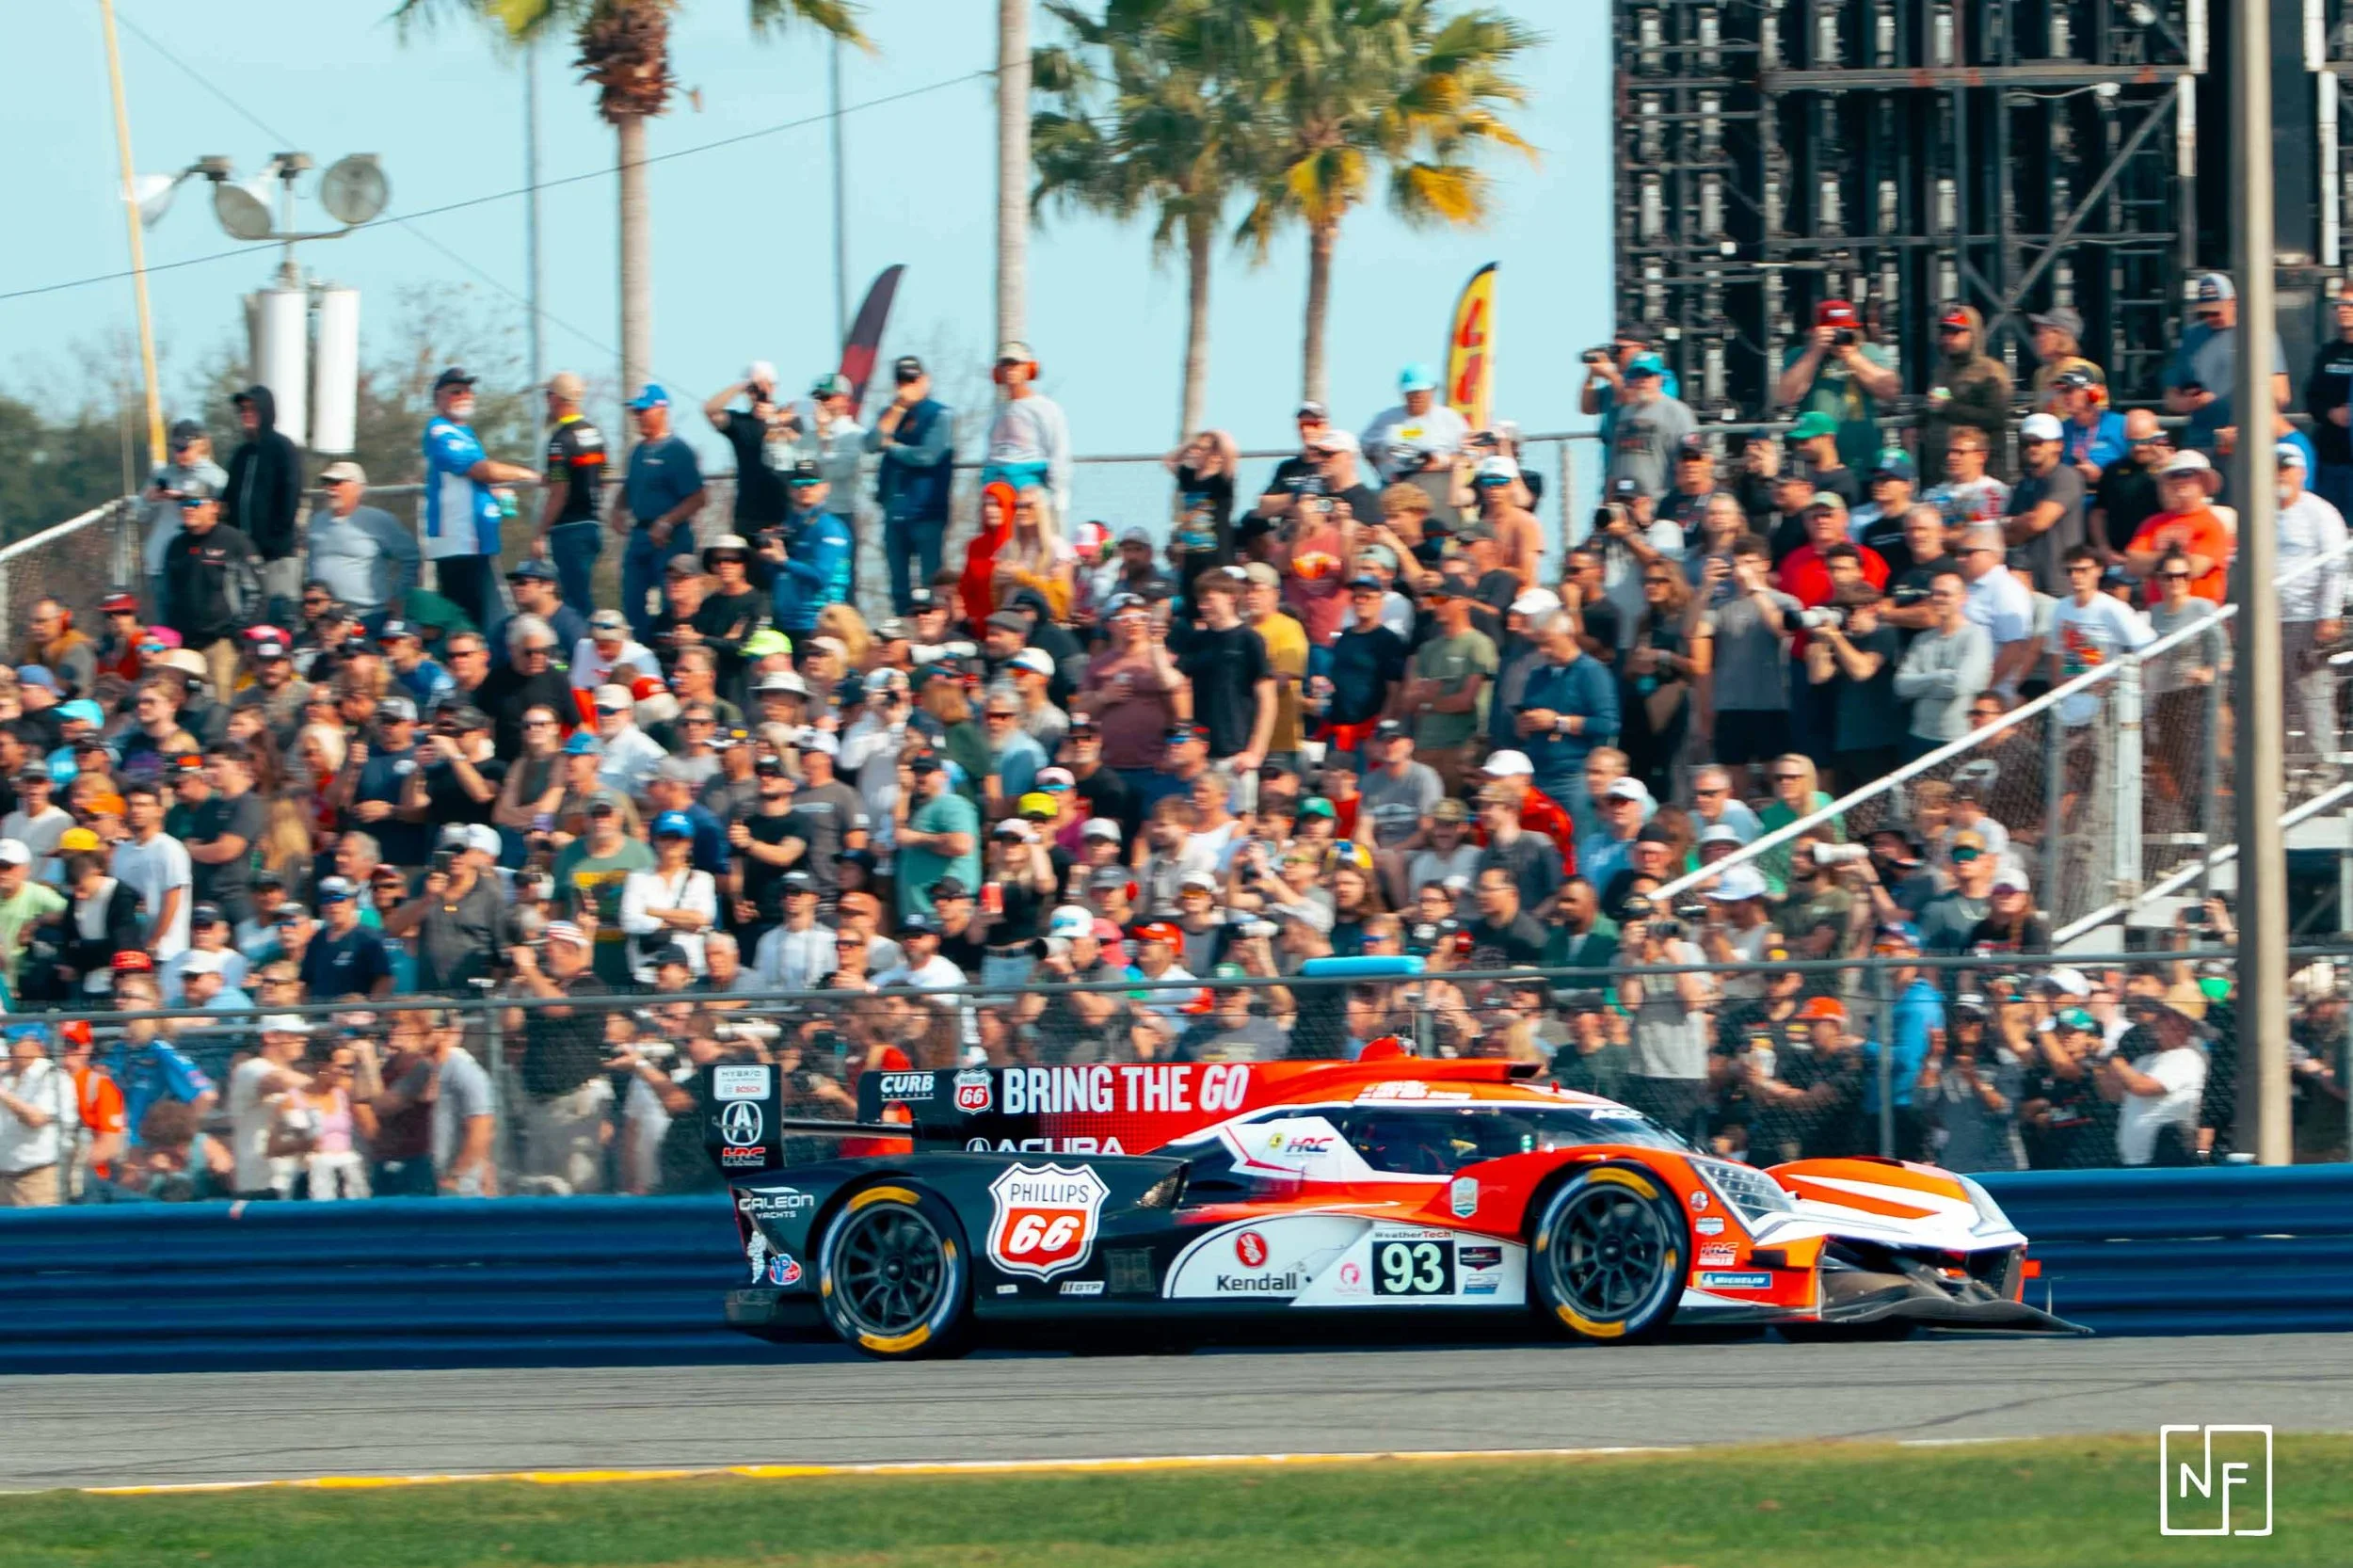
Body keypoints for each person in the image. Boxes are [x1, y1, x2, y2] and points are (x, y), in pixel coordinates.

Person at [421, 367, 539, 634]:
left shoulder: (466, 432)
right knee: (465, 624)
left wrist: (494, 493)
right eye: (455, 391)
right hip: (457, 543)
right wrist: (529, 475)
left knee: (486, 620)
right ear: (439, 397)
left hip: (477, 543)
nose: (464, 396)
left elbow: (473, 481)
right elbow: (480, 470)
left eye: (467, 390)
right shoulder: (440, 431)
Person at [2274, 443, 2349, 785]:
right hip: (2267, 621)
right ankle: (2281, 767)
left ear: (2301, 472)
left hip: (2307, 619)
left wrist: (2328, 615)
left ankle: (2324, 766)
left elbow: (2334, 568)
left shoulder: (2321, 512)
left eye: (2287, 467)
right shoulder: (2258, 512)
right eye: (2275, 467)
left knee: (2313, 694)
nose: (2280, 474)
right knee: (2272, 698)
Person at [2165, 271, 2290, 460]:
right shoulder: (2191, 337)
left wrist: (2246, 427)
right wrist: (2190, 402)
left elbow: (2280, 395)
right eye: (2204, 312)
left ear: (2232, 302)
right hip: (2202, 443)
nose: (2209, 318)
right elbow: (2170, 398)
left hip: (2248, 444)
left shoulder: (2259, 335)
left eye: (2215, 311)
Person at [616, 383, 708, 641]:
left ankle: (671, 650)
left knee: (673, 601)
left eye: (643, 411)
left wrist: (667, 521)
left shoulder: (677, 450)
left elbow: (698, 497)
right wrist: (617, 508)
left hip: (670, 537)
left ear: (661, 410)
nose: (638, 417)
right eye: (636, 412)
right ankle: (640, 647)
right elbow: (629, 486)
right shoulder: (637, 451)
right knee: (632, 599)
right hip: (640, 534)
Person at [867, 356, 956, 614]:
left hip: (926, 510)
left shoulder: (940, 414)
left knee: (932, 583)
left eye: (913, 380)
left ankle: (934, 630)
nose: (907, 386)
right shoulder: (890, 413)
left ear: (924, 380)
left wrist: (892, 446)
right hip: (894, 511)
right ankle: (902, 633)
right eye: (902, 380)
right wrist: (896, 410)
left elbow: (928, 455)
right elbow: (871, 444)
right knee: (898, 585)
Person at [1772, 297, 1902, 472]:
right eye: (1833, 332)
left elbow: (1890, 391)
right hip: (1815, 462)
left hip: (1862, 457)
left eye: (1845, 330)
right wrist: (1815, 352)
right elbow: (1784, 397)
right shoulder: (1800, 355)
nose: (1838, 336)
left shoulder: (1868, 352)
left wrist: (1852, 357)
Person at [159, 483, 263, 698]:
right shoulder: (175, 546)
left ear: (214, 507)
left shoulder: (234, 541)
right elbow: (166, 596)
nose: (188, 508)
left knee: (220, 705)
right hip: (184, 644)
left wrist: (238, 632)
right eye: (184, 503)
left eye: (196, 503)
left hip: (221, 644)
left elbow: (256, 591)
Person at [1404, 578, 1497, 792]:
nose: (1437, 604)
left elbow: (1465, 702)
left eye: (1443, 599)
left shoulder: (1479, 644)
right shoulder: (1428, 648)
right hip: (1423, 746)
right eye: (1435, 599)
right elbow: (1407, 701)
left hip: (1458, 749)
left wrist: (1427, 702)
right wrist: (1422, 698)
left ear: (1464, 602)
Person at [221, 385, 304, 624]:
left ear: (266, 412)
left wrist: (273, 539)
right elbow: (229, 498)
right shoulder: (241, 454)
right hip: (244, 556)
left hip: (276, 556)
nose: (246, 414)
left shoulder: (282, 448)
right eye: (242, 410)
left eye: (252, 409)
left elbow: (290, 495)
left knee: (279, 619)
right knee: (248, 622)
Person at [305, 461, 419, 632]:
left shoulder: (378, 520)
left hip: (368, 616)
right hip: (326, 619)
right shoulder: (317, 521)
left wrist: (399, 594)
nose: (330, 488)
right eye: (327, 483)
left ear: (358, 488)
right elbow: (310, 563)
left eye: (337, 483)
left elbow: (410, 557)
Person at [1893, 568, 1993, 760]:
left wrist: (1922, 684)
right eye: (1934, 593)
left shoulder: (1976, 636)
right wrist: (1942, 676)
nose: (1938, 599)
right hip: (1918, 735)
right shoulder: (1922, 639)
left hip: (1957, 738)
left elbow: (1960, 685)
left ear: (1963, 598)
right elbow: (1901, 686)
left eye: (1945, 594)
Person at [533, 371, 609, 617]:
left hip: (569, 530)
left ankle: (585, 650)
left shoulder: (560, 440)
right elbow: (603, 477)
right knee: (581, 594)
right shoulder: (594, 432)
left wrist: (539, 532)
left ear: (556, 399)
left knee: (575, 601)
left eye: (548, 395)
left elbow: (559, 492)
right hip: (592, 525)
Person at [140, 420, 230, 619]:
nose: (179, 453)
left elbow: (223, 515)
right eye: (176, 447)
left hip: (196, 562)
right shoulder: (162, 475)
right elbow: (141, 514)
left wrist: (183, 498)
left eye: (184, 447)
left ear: (200, 445)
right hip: (161, 563)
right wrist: (150, 499)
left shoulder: (216, 478)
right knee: (164, 626)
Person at [2123, 451, 2233, 605]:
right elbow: (2132, 564)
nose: (2179, 480)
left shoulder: (2212, 524)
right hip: (2158, 612)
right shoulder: (2152, 523)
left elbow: (2195, 568)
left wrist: (2152, 563)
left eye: (2186, 474)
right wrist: (2177, 563)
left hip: (2200, 615)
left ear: (2204, 480)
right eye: (2173, 475)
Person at [1918, 304, 2013, 481]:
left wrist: (1948, 407)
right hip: (1939, 472)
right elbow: (1932, 412)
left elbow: (1995, 418)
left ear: (1973, 334)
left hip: (1981, 475)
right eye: (1945, 332)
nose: (1948, 338)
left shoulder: (1990, 371)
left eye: (1955, 332)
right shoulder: (1941, 371)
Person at [982, 341, 1072, 515]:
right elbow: (990, 453)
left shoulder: (1046, 408)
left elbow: (1059, 453)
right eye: (1004, 365)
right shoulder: (997, 411)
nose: (1010, 370)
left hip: (1030, 490)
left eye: (1015, 364)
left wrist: (1058, 497)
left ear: (1029, 368)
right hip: (998, 491)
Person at [701, 361, 791, 534]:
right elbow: (709, 410)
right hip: (747, 514)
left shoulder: (789, 416)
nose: (757, 393)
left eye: (765, 386)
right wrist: (740, 387)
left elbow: (813, 410)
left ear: (773, 387)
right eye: (753, 389)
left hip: (783, 511)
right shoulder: (739, 422)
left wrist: (773, 418)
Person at [2005, 412, 2089, 596]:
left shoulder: (2066, 476)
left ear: (2058, 445)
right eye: (2026, 443)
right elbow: (2009, 536)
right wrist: (2020, 522)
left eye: (2039, 442)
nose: (2032, 448)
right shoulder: (2023, 483)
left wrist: (2015, 522)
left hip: (2060, 584)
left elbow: (2038, 522)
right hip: (2027, 584)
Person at [0, 1024, 80, 1207]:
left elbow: (36, 1119)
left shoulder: (54, 1077)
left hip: (38, 1180)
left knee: (40, 1232)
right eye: (7, 1041)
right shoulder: (7, 1077)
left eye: (16, 1041)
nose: (9, 1047)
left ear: (37, 1044)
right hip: (4, 1179)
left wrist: (3, 1094)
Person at [1603, 355, 1697, 501]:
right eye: (1636, 374)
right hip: (1624, 500)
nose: (1642, 380)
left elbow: (1690, 459)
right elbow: (1615, 461)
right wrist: (1608, 499)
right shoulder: (1624, 412)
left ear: (1659, 379)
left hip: (1660, 501)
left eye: (1648, 375)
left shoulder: (1677, 411)